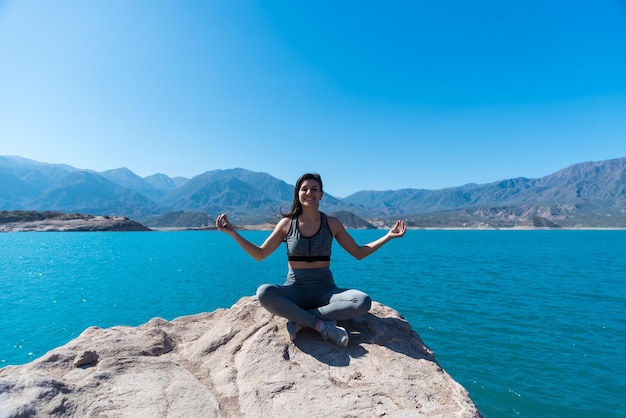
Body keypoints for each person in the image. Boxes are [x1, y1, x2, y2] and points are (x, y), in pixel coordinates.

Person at [215, 173, 406, 347]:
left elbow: (358, 252)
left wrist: (387, 236)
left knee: (362, 301)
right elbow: (260, 254)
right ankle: (323, 327)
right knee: (264, 292)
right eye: (304, 189)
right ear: (297, 194)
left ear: (321, 194)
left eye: (314, 189)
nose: (309, 192)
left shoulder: (332, 224)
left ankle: (300, 319)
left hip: (326, 292)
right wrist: (233, 234)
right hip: (295, 290)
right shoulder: (287, 224)